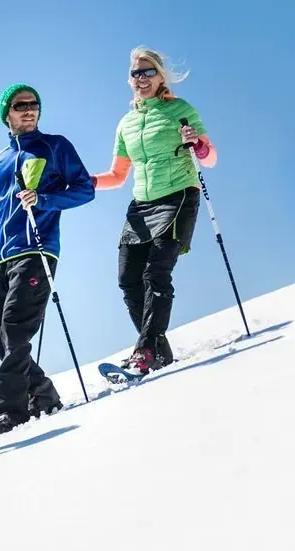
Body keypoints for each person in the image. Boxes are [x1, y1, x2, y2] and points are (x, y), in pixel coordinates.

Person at [0, 83, 96, 436]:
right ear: (7, 115)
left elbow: (84, 189)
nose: (29, 110)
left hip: (37, 249)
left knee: (15, 329)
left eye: (34, 105)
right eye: (20, 106)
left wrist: (44, 200)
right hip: (0, 258)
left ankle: (11, 412)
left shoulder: (55, 146)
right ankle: (43, 393)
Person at [90, 45, 217, 375]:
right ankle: (159, 351)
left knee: (156, 273)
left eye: (148, 72)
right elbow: (117, 175)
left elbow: (211, 157)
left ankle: (144, 351)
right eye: (136, 73)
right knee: (128, 279)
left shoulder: (180, 110)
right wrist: (82, 182)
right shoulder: (126, 124)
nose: (141, 78)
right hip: (142, 204)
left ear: (161, 77)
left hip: (178, 196)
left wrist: (198, 144)